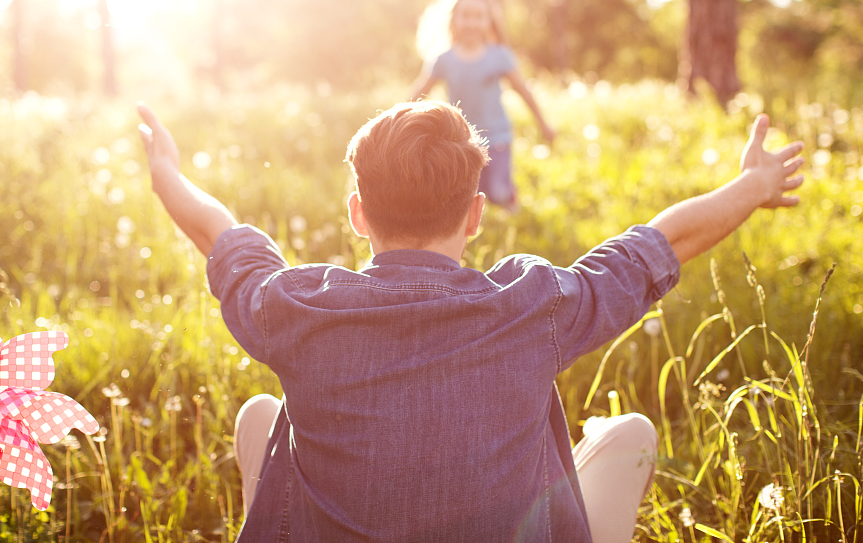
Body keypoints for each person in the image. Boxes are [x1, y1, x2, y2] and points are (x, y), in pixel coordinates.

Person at [137, 100, 804, 543]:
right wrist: (754, 185)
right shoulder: (532, 302)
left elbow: (221, 235)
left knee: (263, 415)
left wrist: (166, 172)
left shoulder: (298, 309)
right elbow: (656, 245)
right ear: (476, 214)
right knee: (627, 433)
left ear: (356, 213)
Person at [410, 0, 555, 208]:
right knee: (466, 197)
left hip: (497, 137)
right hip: (460, 141)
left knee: (498, 193)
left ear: (489, 21)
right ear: (454, 19)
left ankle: (511, 212)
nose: (471, 22)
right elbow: (418, 93)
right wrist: (399, 126)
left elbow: (524, 91)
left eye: (479, 16)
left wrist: (543, 123)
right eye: (465, 15)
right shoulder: (443, 60)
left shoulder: (499, 57)